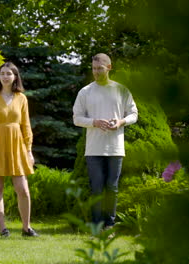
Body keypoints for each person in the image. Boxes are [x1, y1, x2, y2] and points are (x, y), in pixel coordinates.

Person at [72, 53, 138, 230]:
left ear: (109, 67)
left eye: (99, 68)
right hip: (93, 148)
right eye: (93, 68)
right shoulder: (85, 92)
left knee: (112, 188)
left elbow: (134, 114)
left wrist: (121, 122)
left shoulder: (121, 90)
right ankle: (96, 225)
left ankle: (109, 224)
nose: (96, 72)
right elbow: (76, 118)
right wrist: (93, 122)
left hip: (115, 148)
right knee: (97, 189)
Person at [0, 62, 38, 237]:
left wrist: (29, 150)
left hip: (17, 145)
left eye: (8, 73)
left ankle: (26, 228)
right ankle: (2, 228)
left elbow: (26, 125)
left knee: (23, 189)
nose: (5, 76)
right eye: (2, 73)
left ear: (15, 77)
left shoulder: (22, 98)